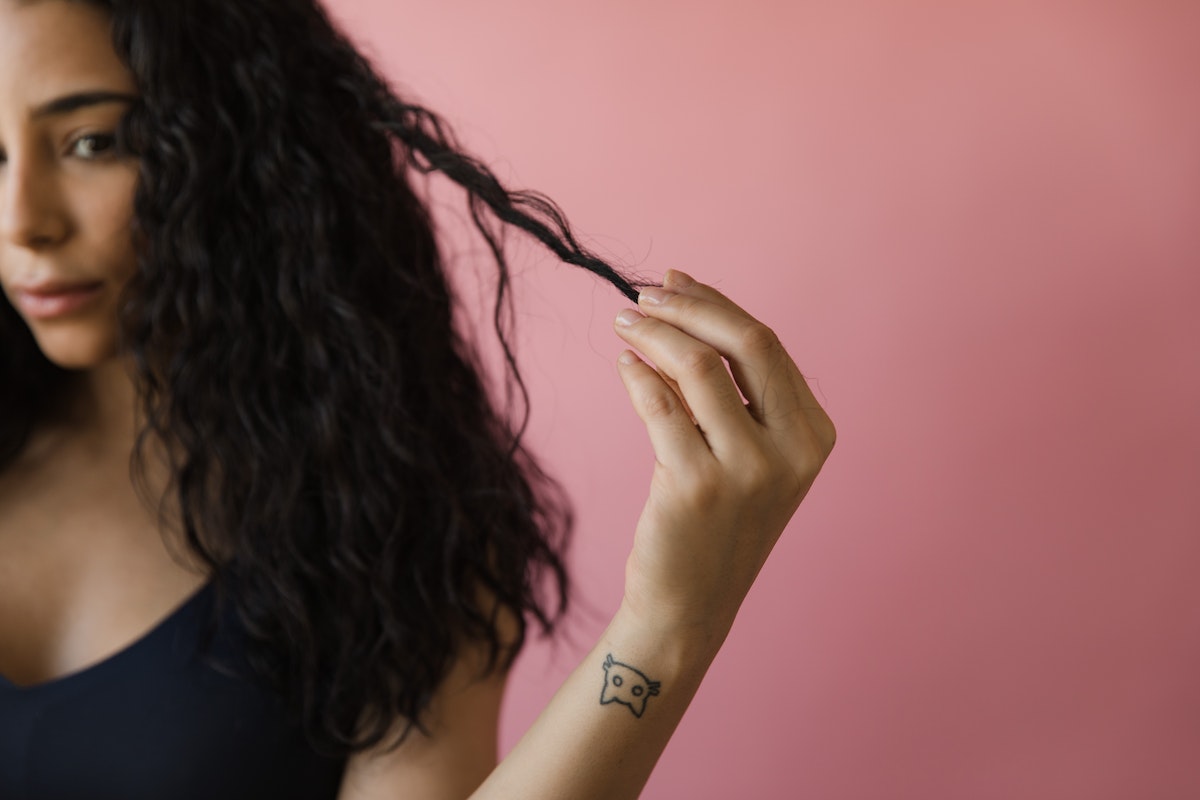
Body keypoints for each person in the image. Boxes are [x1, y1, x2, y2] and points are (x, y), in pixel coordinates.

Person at [0, 0, 836, 797]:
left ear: (240, 145)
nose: (22, 220)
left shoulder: (393, 527)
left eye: (91, 141)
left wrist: (666, 629)